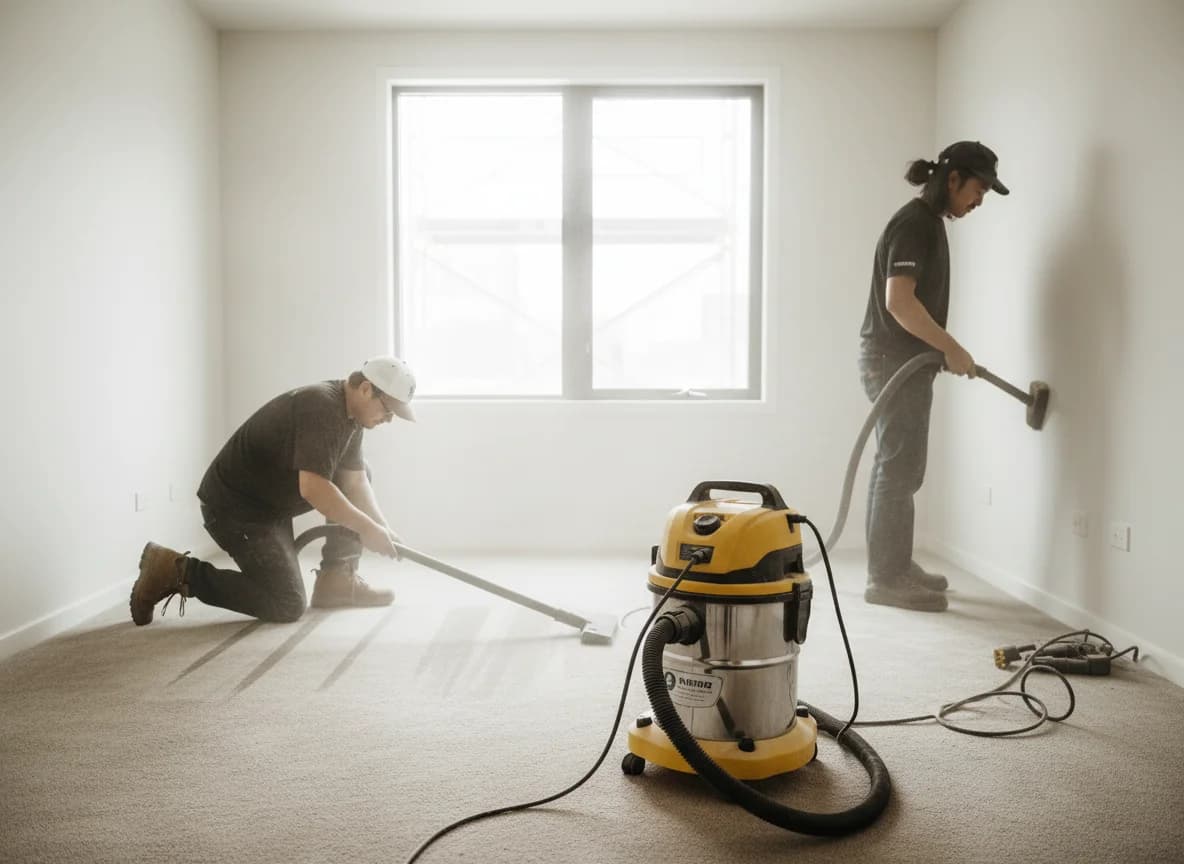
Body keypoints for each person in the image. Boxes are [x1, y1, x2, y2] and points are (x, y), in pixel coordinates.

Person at [129, 356, 417, 625]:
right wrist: (367, 530)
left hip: (271, 507)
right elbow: (314, 489)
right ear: (366, 389)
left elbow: (355, 481)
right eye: (388, 410)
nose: (389, 419)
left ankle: (336, 579)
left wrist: (382, 528)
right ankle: (175, 570)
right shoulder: (321, 407)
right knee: (286, 603)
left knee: (361, 470)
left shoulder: (352, 418)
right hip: (237, 509)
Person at [859, 141, 1009, 612]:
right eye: (978, 188)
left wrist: (938, 351)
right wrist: (951, 347)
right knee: (899, 469)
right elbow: (899, 302)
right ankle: (887, 578)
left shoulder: (928, 223)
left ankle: (894, 565)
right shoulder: (915, 224)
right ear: (953, 179)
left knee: (898, 466)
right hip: (893, 360)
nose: (980, 199)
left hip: (904, 359)